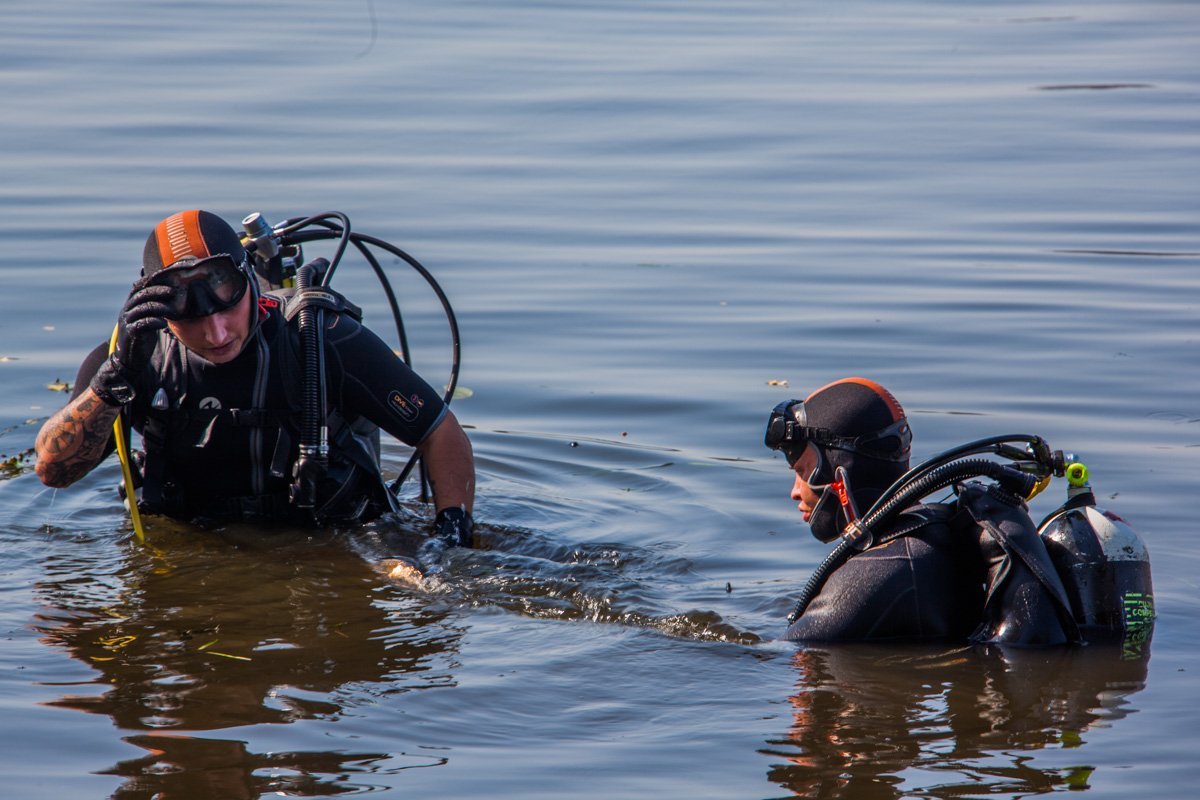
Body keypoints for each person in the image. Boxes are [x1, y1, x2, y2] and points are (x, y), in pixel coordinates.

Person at [35, 209, 474, 547]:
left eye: (227, 307)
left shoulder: (321, 339)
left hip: (329, 543)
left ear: (250, 281)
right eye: (192, 320)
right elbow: (54, 473)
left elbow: (439, 431)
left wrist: (449, 539)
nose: (216, 333)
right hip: (195, 550)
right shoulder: (129, 359)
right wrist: (114, 380)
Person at [764, 377, 1081, 645]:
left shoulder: (881, 572)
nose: (794, 491)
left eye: (803, 471)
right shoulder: (928, 534)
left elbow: (791, 660)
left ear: (839, 472)